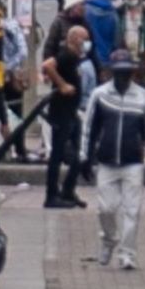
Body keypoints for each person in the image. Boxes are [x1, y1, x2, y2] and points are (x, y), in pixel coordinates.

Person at [81, 57, 145, 271]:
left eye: (127, 73)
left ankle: (127, 254)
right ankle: (109, 238)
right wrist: (84, 156)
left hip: (133, 161)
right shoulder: (100, 95)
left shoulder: (143, 97)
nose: (123, 78)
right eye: (119, 73)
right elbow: (89, 128)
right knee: (105, 209)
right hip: (106, 161)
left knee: (132, 210)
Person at [35, 16, 91, 210]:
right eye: (85, 39)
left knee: (78, 154)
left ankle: (68, 190)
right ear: (75, 39)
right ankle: (51, 195)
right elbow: (47, 66)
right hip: (61, 112)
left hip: (71, 112)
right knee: (59, 155)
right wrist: (62, 85)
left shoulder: (75, 58)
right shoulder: (66, 54)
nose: (87, 43)